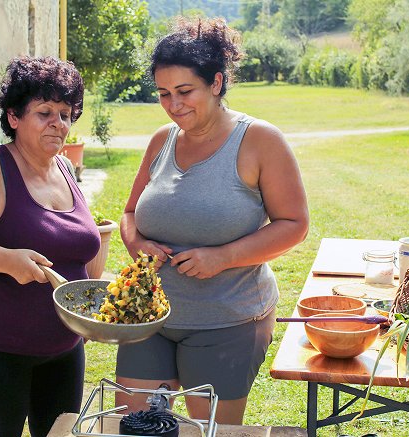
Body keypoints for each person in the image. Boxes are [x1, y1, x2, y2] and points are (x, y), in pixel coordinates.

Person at [116, 17, 309, 425]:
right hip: (148, 317)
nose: (174, 105)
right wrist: (137, 245)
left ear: (217, 83)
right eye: (164, 94)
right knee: (137, 428)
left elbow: (294, 223)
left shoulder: (259, 140)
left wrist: (223, 257)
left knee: (211, 433)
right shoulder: (160, 141)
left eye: (185, 91)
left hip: (226, 321)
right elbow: (130, 213)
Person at [0, 56, 100, 437]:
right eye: (44, 113)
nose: (59, 123)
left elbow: (76, 247)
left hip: (63, 347)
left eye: (65, 113)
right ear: (13, 117)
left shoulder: (63, 168)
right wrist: (7, 260)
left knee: (59, 434)